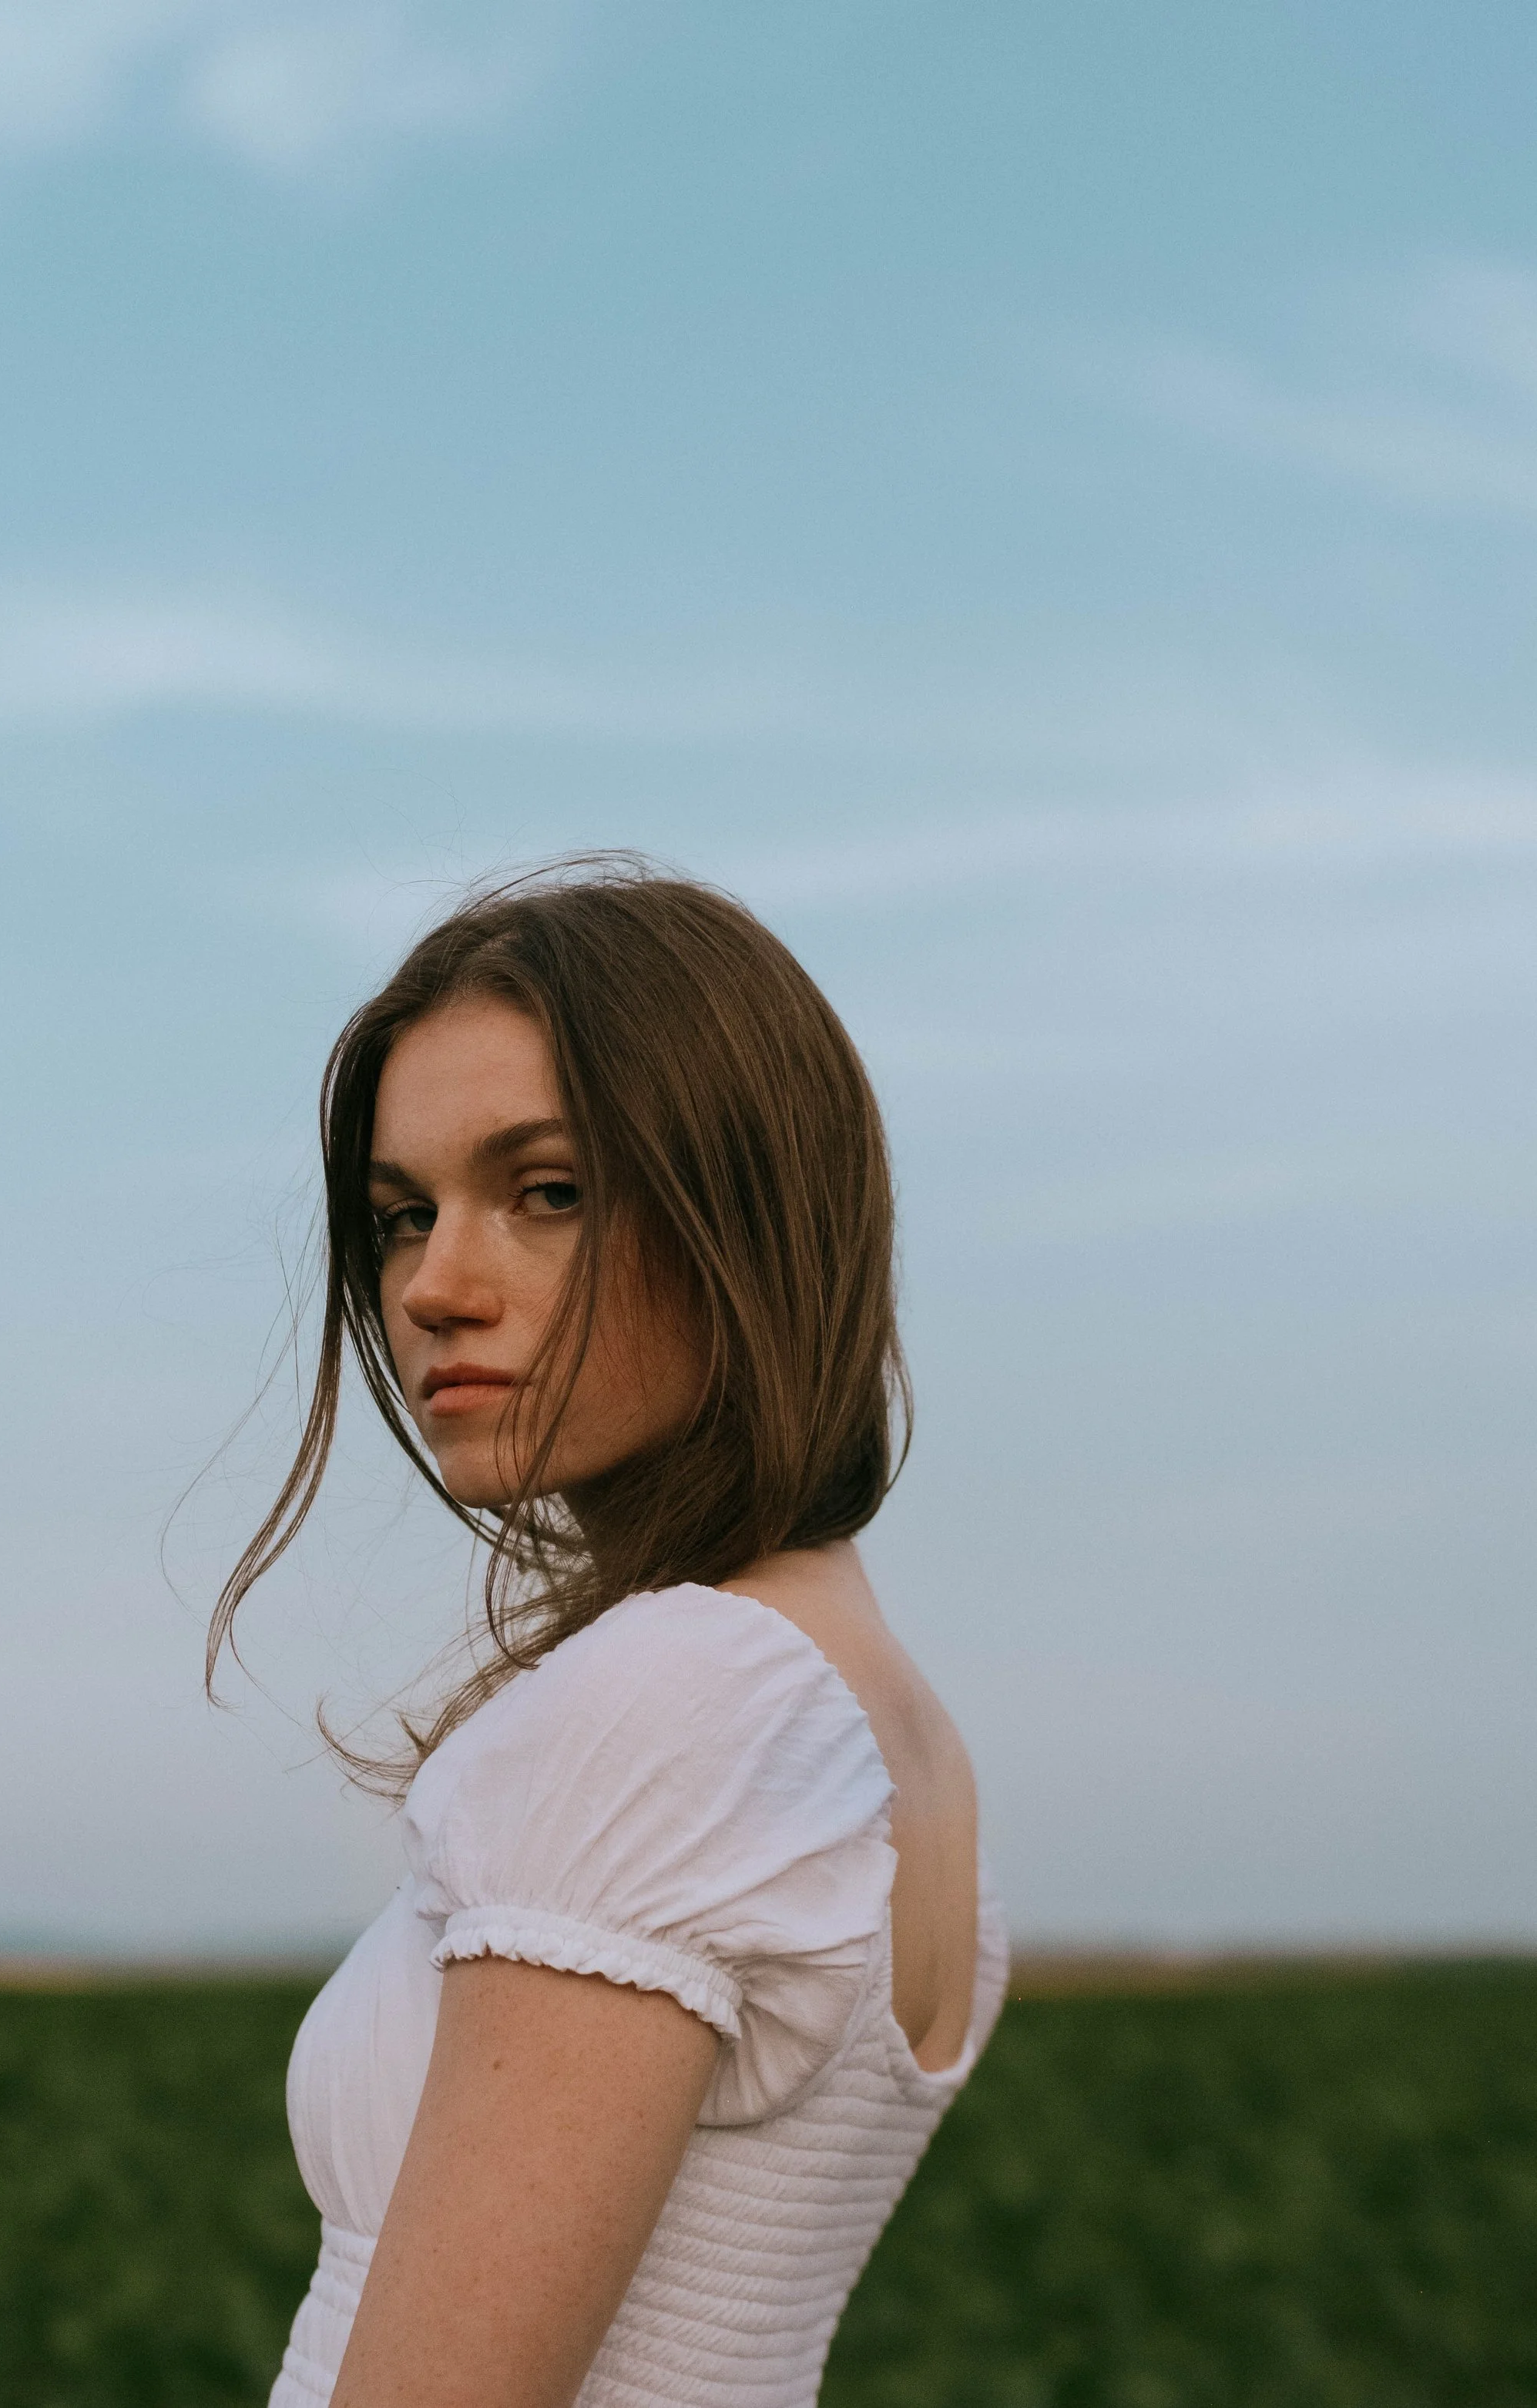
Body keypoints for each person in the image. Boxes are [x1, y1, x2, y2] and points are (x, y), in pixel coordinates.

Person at [215, 861, 1008, 2407]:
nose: (435, 1285)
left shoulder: (684, 1692)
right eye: (399, 1213)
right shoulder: (877, 1717)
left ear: (752, 1209)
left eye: (548, 1189)